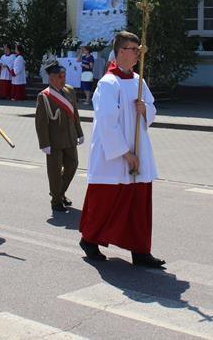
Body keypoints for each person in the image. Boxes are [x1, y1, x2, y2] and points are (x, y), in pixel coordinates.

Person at [78, 31, 164, 268]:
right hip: (114, 156)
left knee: (138, 202)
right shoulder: (108, 83)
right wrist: (125, 153)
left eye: (138, 49)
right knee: (106, 201)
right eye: (133, 49)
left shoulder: (139, 80)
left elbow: (152, 109)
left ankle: (140, 250)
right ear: (120, 52)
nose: (138, 53)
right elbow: (107, 121)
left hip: (139, 150)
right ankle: (90, 239)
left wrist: (145, 109)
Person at [35, 59, 84, 213]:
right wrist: (44, 143)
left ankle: (59, 192)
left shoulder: (69, 90)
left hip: (69, 138)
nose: (64, 79)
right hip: (54, 141)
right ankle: (56, 200)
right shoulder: (44, 96)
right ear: (51, 79)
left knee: (73, 165)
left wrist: (80, 132)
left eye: (64, 75)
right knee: (55, 172)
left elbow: (75, 113)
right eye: (60, 76)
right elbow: (41, 122)